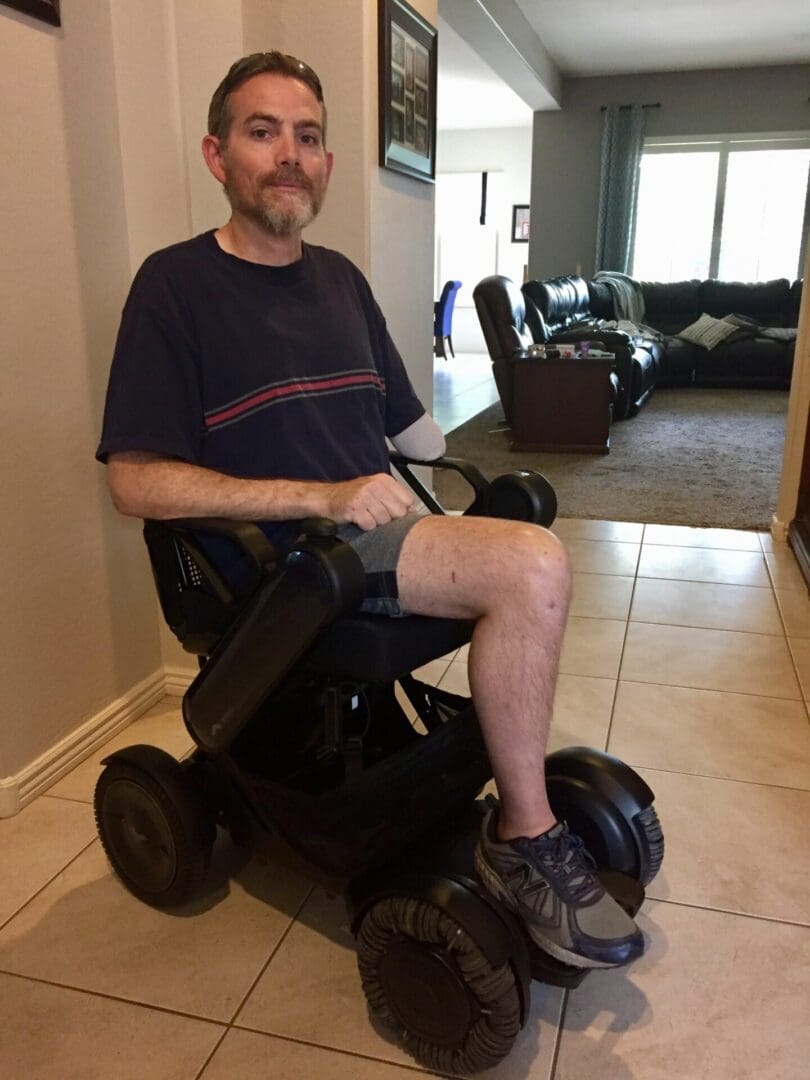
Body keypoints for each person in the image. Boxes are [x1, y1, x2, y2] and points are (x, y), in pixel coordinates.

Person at [97, 52, 643, 970]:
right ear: (216, 154)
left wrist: (519, 419)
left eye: (307, 137)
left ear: (327, 164)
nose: (288, 155)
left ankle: (499, 792)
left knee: (528, 529)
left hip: (373, 543)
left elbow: (413, 434)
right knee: (532, 567)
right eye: (261, 132)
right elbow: (134, 482)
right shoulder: (174, 287)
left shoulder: (341, 280)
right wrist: (324, 494)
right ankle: (524, 837)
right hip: (290, 573)